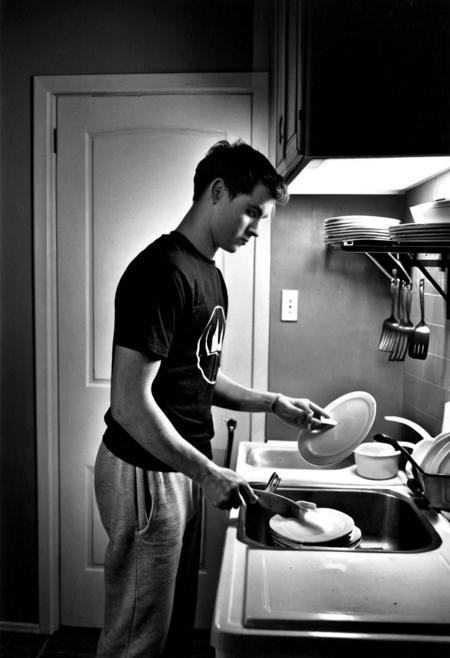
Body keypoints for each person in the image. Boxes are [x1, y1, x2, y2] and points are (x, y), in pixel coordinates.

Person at [94, 140, 328, 657]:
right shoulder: (161, 271)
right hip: (145, 472)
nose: (255, 229)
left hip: (177, 467)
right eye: (252, 212)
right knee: (137, 637)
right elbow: (130, 403)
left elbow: (197, 376)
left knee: (169, 628)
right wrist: (205, 471)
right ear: (217, 192)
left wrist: (272, 403)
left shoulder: (210, 274)